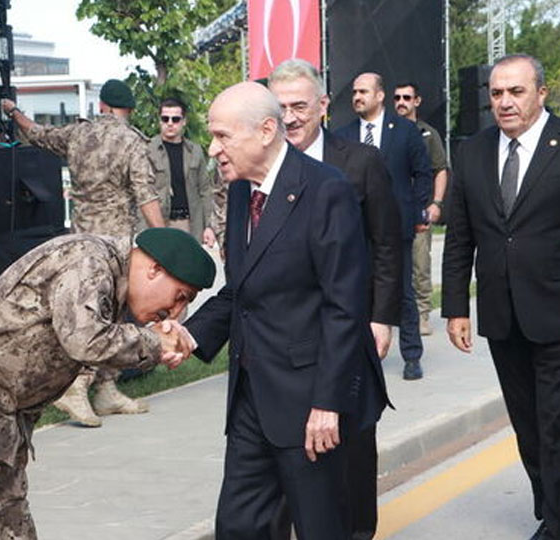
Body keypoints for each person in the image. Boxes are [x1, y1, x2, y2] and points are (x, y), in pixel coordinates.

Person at [184, 81, 388, 540]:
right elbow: (242, 288)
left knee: (321, 526)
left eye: (222, 136)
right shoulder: (240, 192)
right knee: (239, 524)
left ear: (266, 130)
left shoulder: (326, 191)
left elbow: (344, 307)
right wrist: (191, 336)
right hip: (252, 396)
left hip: (309, 401)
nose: (213, 148)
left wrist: (327, 403)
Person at [0, 227, 214, 539]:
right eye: (179, 297)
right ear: (154, 269)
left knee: (12, 529)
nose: (174, 312)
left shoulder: (111, 276)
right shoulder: (89, 260)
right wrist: (154, 342)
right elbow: (85, 339)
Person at [442, 54, 560, 540]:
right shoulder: (472, 152)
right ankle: (555, 508)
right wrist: (456, 305)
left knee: (559, 425)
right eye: (496, 93)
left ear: (541, 93)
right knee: (529, 427)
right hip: (503, 316)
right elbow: (460, 236)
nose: (505, 103)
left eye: (516, 92)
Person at [268, 58, 400, 540]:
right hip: (290, 339)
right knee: (293, 447)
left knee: (353, 440)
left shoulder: (360, 163)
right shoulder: (264, 170)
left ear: (323, 106)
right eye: (280, 108)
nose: (291, 118)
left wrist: (382, 318)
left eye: (300, 106)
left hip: (352, 326)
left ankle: (357, 531)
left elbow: (387, 243)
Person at [2, 79, 163, 427]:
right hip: (116, 243)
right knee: (108, 317)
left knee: (87, 312)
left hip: (80, 240)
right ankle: (79, 385)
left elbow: (36, 133)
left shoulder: (78, 134)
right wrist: (163, 238)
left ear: (102, 105)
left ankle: (105, 390)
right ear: (128, 110)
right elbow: (145, 194)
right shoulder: (130, 141)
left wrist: (14, 111)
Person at [335, 72, 432, 380]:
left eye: (363, 91)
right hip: (355, 230)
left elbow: (423, 173)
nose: (356, 97)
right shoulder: (343, 135)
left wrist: (418, 212)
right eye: (354, 92)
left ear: (379, 96)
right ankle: (363, 354)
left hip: (396, 227)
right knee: (357, 293)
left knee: (401, 292)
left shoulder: (405, 131)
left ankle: (412, 355)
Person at [393, 81, 449, 337]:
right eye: (397, 98)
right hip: (390, 210)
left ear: (417, 101)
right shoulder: (386, 132)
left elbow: (440, 169)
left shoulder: (427, 134)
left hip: (419, 209)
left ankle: (423, 312)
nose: (401, 102)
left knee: (419, 263)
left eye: (406, 97)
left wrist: (436, 203)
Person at [148, 97, 217, 246]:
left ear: (184, 121)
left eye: (175, 119)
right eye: (165, 119)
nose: (170, 123)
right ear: (159, 120)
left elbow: (205, 190)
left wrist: (209, 226)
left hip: (189, 224)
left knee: (189, 268)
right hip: (158, 223)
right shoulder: (148, 150)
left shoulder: (195, 151)